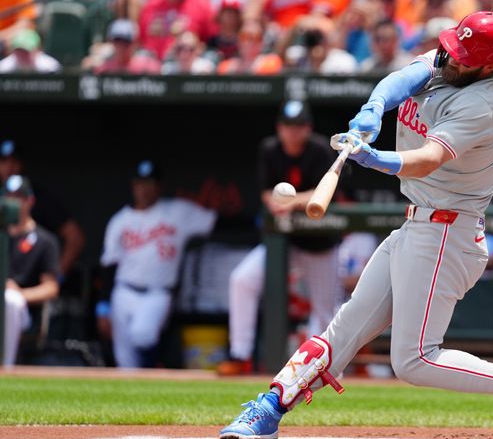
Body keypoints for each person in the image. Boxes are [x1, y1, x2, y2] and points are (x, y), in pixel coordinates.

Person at [219, 11, 493, 439]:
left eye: (465, 56)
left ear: (489, 66)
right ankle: (271, 407)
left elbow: (428, 158)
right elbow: (401, 80)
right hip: (418, 224)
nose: (451, 58)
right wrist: (373, 108)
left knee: (414, 360)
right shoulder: (450, 58)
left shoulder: (480, 104)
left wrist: (377, 159)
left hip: (449, 232)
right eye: (454, 47)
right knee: (344, 327)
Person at [217, 100, 344, 376]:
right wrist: (274, 201)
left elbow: (325, 191)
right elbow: (265, 191)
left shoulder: (321, 150)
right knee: (242, 280)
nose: (293, 132)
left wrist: (292, 201)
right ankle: (240, 355)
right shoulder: (270, 150)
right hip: (282, 243)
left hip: (318, 243)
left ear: (308, 127)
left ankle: (328, 368)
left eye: (299, 126)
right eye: (288, 126)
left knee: (324, 310)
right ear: (280, 128)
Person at [97, 160, 217, 368]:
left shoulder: (177, 212)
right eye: (140, 183)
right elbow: (109, 265)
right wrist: (103, 306)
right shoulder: (120, 220)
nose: (144, 189)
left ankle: (155, 368)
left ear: (159, 187)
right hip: (123, 291)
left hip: (158, 293)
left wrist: (256, 223)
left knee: (143, 335)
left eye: (149, 183)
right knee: (125, 362)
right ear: (133, 186)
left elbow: (216, 222)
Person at [0, 140, 85, 280]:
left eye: (14, 161)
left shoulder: (40, 201)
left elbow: (75, 237)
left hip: (28, 289)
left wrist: (55, 279)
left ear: (30, 202)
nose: (9, 167)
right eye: (3, 161)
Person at [2, 175, 60, 366]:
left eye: (19, 198)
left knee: (10, 300)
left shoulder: (44, 241)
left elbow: (51, 287)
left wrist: (19, 292)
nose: (13, 203)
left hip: (25, 311)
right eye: (9, 197)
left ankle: (6, 367)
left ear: (30, 201)